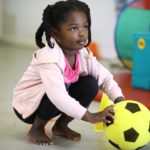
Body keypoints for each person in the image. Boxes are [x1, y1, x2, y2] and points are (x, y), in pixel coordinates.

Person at [12, 0, 125, 146]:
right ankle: (36, 129)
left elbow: (105, 78)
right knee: (59, 91)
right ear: (55, 33)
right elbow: (58, 97)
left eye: (85, 26)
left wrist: (120, 100)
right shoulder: (49, 57)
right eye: (73, 28)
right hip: (28, 106)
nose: (83, 33)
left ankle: (61, 126)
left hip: (55, 99)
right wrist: (91, 117)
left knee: (90, 84)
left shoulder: (83, 54)